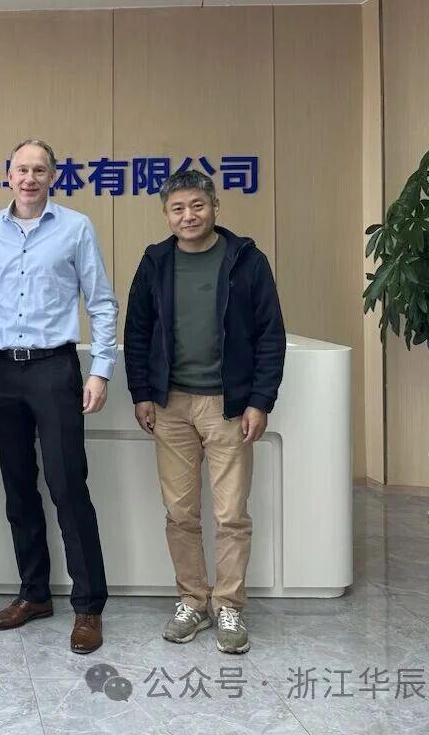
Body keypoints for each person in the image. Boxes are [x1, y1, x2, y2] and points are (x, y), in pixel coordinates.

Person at [123, 169, 286, 655]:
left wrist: (259, 400)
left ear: (215, 206)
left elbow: (270, 334)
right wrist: (141, 393)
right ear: (166, 215)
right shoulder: (155, 262)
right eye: (178, 208)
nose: (188, 215)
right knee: (180, 512)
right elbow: (137, 332)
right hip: (170, 404)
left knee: (231, 513)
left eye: (197, 205)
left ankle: (229, 605)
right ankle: (192, 601)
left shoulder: (246, 260)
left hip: (227, 405)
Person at [0, 138, 118, 655]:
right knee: (18, 489)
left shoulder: (76, 227)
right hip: (1, 372)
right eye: (21, 170)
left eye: (39, 170)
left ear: (53, 177)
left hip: (55, 369)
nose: (29, 178)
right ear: (7, 175)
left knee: (67, 487)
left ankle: (88, 606)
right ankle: (34, 594)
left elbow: (101, 303)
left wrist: (100, 371)